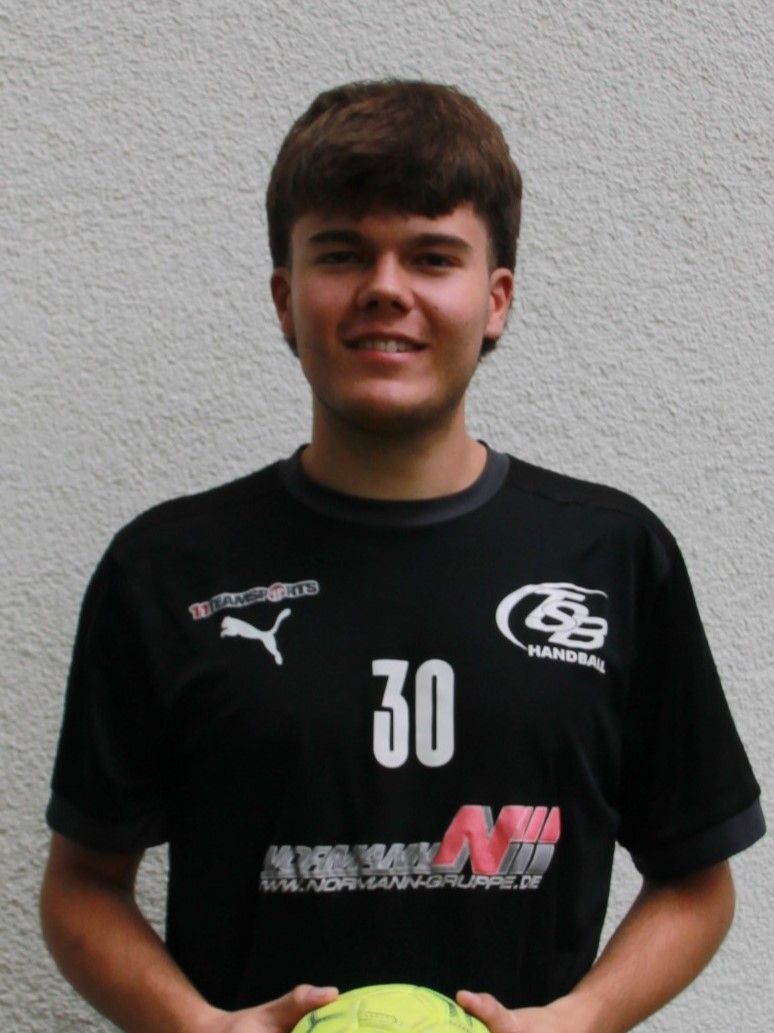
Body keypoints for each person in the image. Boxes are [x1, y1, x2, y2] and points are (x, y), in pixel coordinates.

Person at [41, 80, 764, 1033]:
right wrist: (200, 1027)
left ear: (495, 300)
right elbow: (83, 886)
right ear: (285, 298)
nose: (387, 288)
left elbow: (697, 879)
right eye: (342, 254)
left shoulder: (612, 557)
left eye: (432, 256)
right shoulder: (167, 570)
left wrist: (582, 1018)